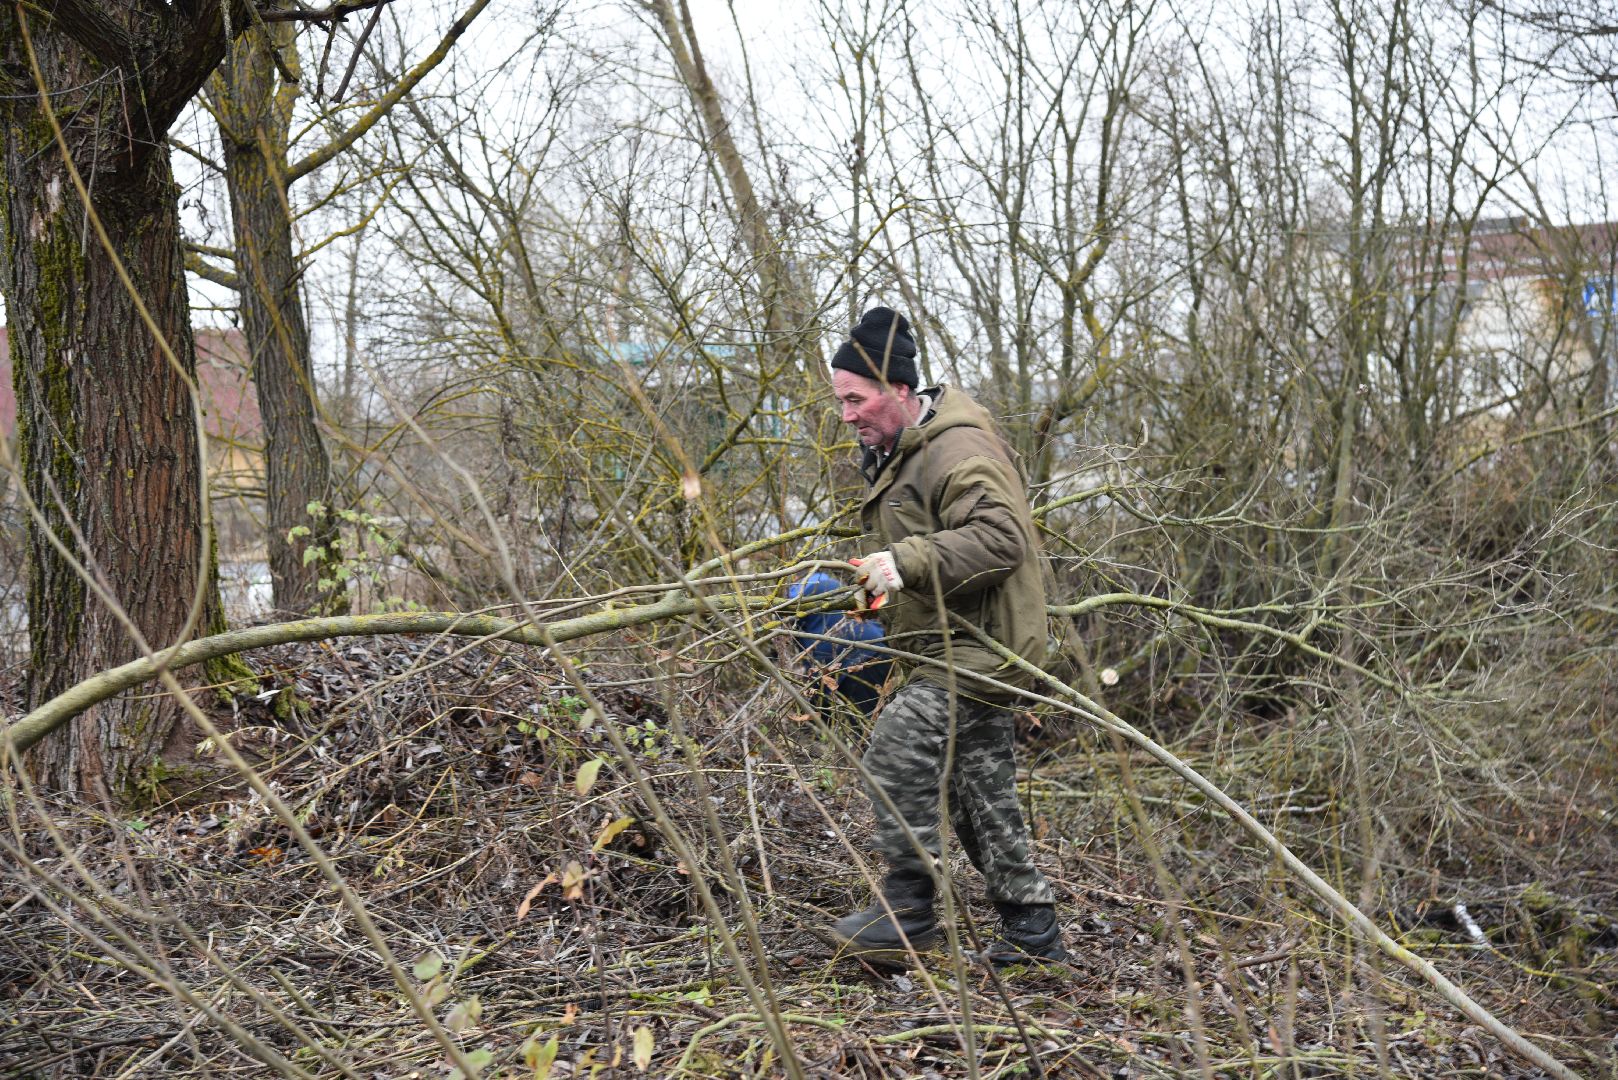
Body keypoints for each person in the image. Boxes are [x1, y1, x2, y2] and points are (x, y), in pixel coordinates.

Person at [827, 305, 1068, 967]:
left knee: (895, 748)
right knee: (977, 790)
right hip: (955, 642)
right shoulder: (903, 449)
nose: (846, 414)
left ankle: (909, 908)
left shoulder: (953, 448)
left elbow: (1001, 539)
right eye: (839, 400)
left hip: (986, 647)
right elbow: (932, 546)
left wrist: (904, 562)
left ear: (899, 392)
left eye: (856, 399)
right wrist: (881, 585)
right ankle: (1033, 931)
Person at [787, 571, 892, 718]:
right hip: (878, 649)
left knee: (872, 723)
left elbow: (805, 649)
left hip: (847, 668)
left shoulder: (792, 603)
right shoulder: (837, 586)